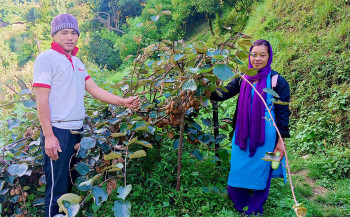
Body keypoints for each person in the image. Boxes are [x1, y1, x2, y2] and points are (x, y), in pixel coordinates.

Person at [33, 14, 140, 217]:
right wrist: (49, 135)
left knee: (70, 184)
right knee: (56, 189)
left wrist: (123, 101)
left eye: (74, 33)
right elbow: (41, 100)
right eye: (64, 32)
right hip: (58, 131)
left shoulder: (77, 61)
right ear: (54, 35)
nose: (70, 37)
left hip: (77, 132)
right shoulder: (46, 59)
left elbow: (95, 89)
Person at [211, 39, 291, 215]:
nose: (257, 59)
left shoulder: (277, 81)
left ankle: (254, 208)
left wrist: (280, 141)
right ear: (249, 56)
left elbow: (283, 114)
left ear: (269, 57)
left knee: (263, 171)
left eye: (263, 55)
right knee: (237, 172)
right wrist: (206, 84)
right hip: (242, 135)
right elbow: (221, 95)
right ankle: (241, 204)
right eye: (254, 54)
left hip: (267, 137)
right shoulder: (243, 79)